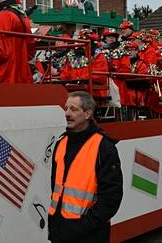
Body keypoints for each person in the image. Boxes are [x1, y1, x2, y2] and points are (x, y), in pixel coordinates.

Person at [48, 91, 123, 243]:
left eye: (73, 109)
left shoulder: (104, 147)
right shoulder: (60, 143)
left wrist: (84, 225)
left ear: (88, 114)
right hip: (60, 232)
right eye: (66, 108)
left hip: (90, 235)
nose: (67, 113)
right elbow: (56, 187)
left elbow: (111, 196)